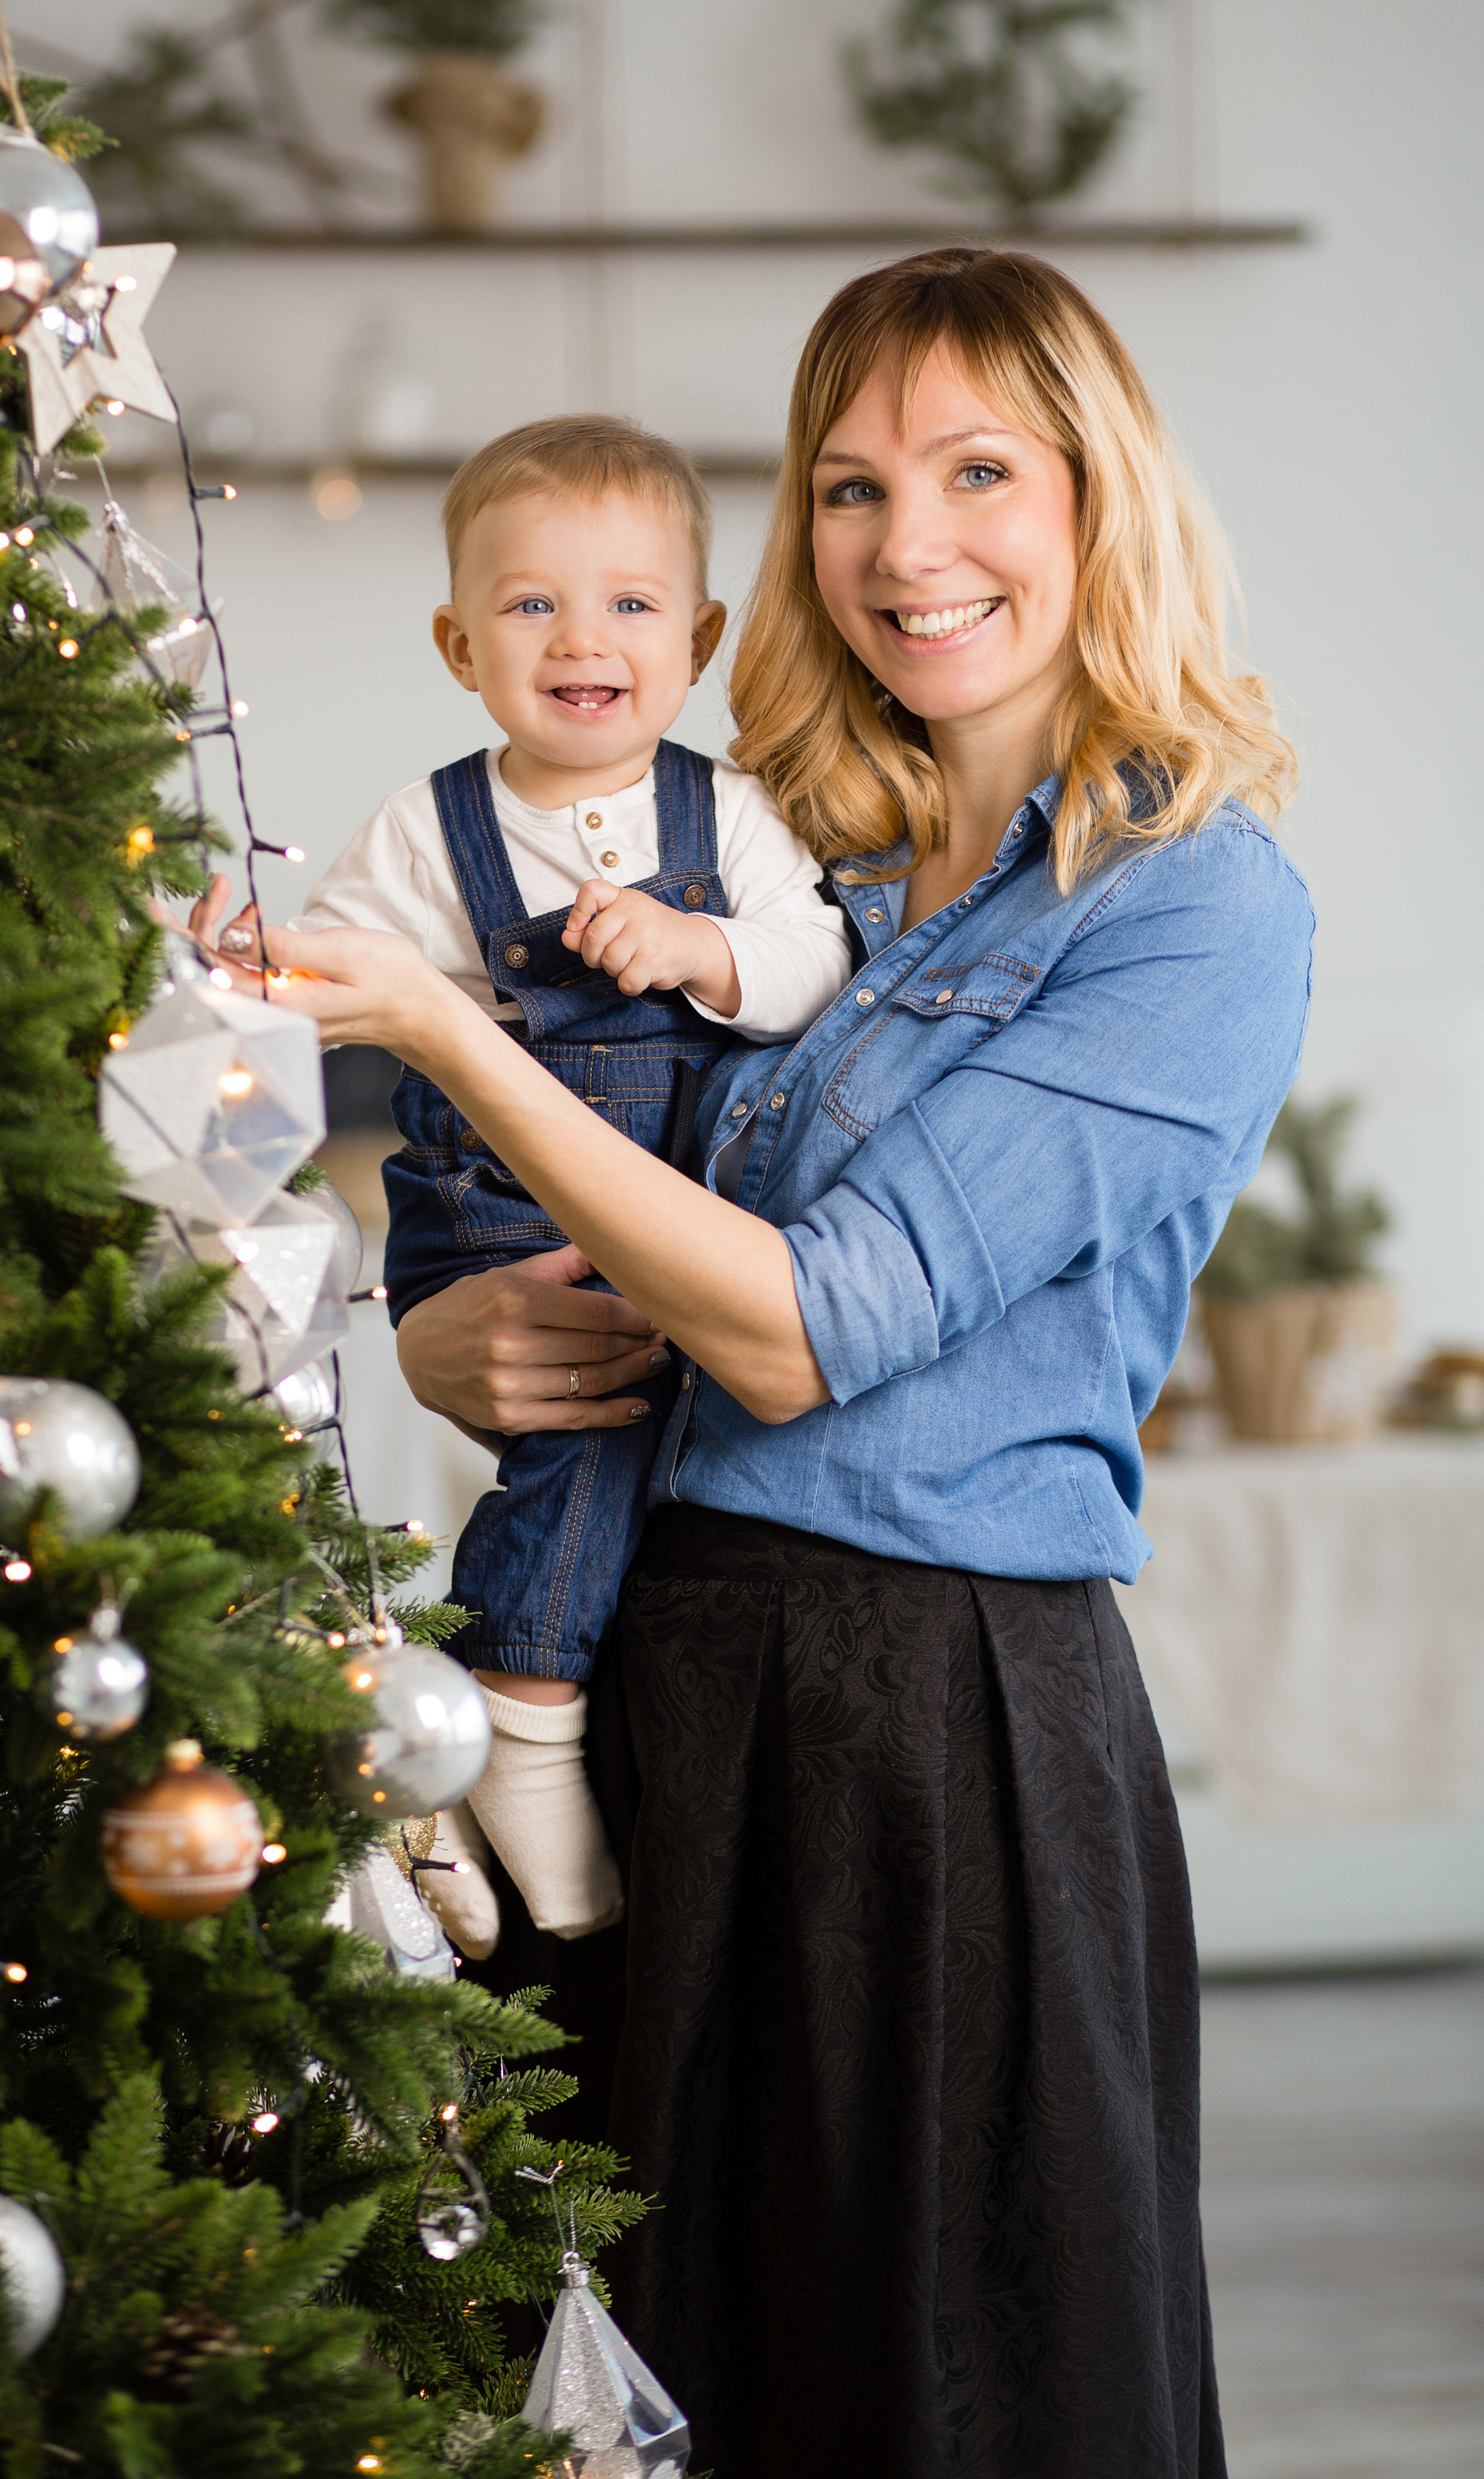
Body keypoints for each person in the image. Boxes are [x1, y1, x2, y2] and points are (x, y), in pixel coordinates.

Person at [193, 247, 1311, 2478]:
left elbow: (803, 1334)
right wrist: (446, 1334)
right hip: (660, 1695)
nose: (910, 546)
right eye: (847, 485)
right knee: (636, 2376)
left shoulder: (1193, 904)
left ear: (1105, 504)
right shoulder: (831, 890)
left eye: (980, 471)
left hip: (934, 1739)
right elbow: (631, 1271)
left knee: (932, 2388)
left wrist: (437, 1033)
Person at [231, 415, 850, 1950]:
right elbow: (329, 961)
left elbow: (812, 960)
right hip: (496, 1210)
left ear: (698, 639)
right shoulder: (428, 829)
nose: (583, 639)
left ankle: (504, 1717)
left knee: (648, 1444)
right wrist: (242, 970)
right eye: (530, 607)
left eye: (631, 605)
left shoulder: (732, 818)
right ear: (458, 643)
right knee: (584, 1436)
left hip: (683, 1206)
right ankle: (521, 1721)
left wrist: (700, 950)